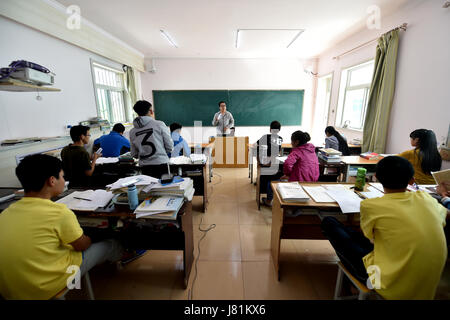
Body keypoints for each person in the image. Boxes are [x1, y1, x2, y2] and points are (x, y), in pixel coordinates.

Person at [321, 156, 447, 300]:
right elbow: (446, 214)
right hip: (427, 285)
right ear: (412, 180)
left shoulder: (371, 205)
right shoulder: (426, 199)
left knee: (330, 224)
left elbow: (371, 240)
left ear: (376, 177)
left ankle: (357, 283)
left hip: (383, 283)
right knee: (353, 234)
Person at [0, 154, 123, 300]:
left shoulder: (6, 212)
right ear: (52, 181)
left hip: (9, 291)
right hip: (44, 288)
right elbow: (82, 245)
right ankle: (121, 257)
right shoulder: (59, 212)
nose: (64, 180)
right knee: (111, 244)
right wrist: (90, 237)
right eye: (62, 176)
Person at [265, 131, 319, 205]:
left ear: (296, 142)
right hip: (312, 182)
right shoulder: (312, 151)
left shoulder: (296, 151)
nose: (291, 143)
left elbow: (287, 164)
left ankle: (269, 202)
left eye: (292, 141)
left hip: (298, 182)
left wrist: (288, 174)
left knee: (270, 184)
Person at [129, 100, 174, 178]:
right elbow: (169, 146)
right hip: (161, 164)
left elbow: (134, 154)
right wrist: (160, 154)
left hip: (144, 167)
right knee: (164, 188)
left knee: (148, 189)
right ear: (150, 111)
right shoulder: (159, 124)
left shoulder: (132, 131)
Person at [257, 121, 283, 206]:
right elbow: (278, 151)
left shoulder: (265, 137)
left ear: (270, 129)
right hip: (274, 162)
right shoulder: (280, 139)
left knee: (264, 176)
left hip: (265, 162)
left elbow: (256, 145)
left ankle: (260, 186)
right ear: (279, 130)